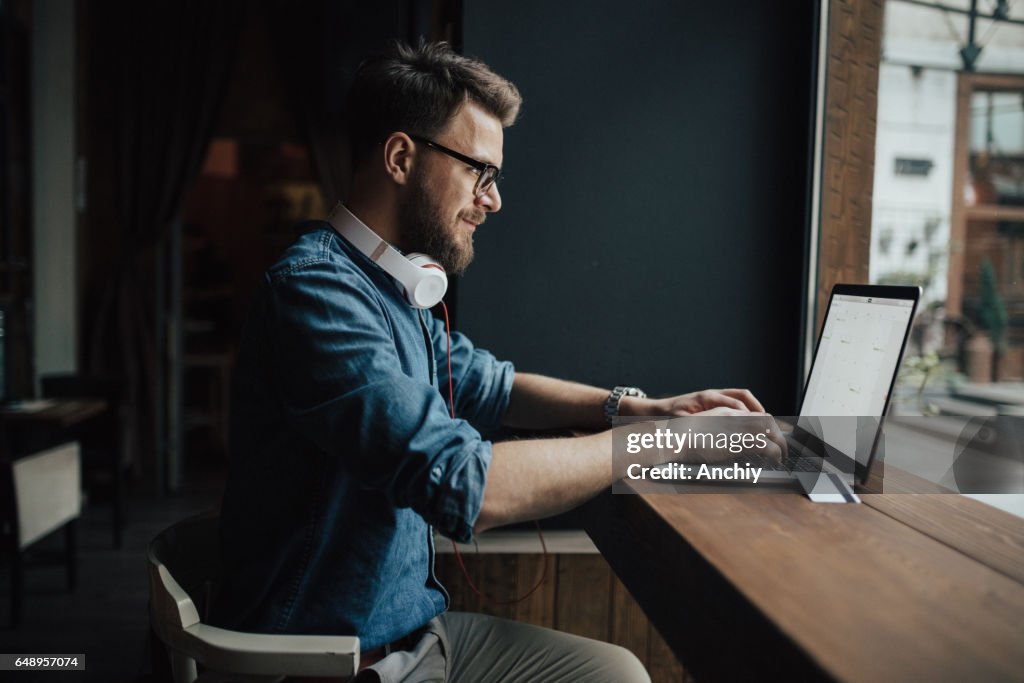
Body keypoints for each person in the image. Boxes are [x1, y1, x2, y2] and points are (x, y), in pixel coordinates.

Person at [212, 41, 774, 682]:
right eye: (480, 171)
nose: (493, 200)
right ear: (400, 157)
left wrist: (632, 408)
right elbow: (462, 484)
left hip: (414, 637)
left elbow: (488, 385)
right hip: (334, 662)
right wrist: (653, 444)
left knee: (614, 674)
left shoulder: (393, 286)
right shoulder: (316, 294)